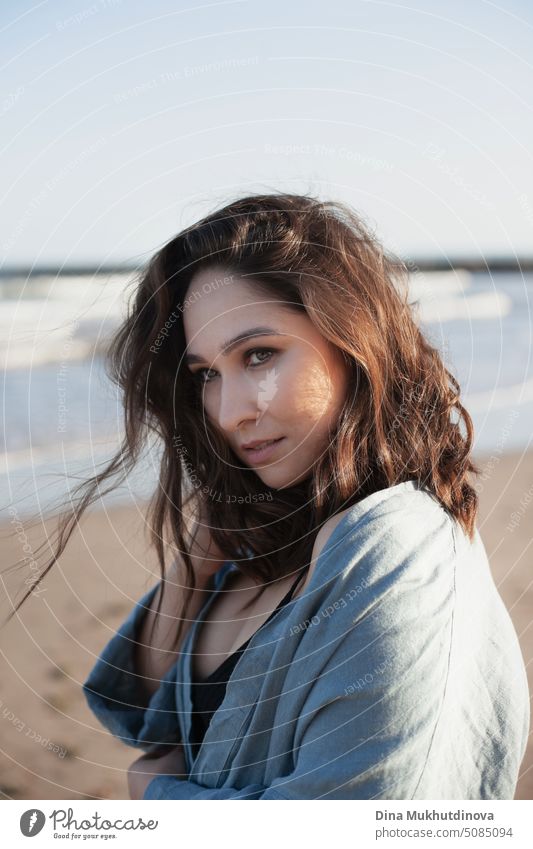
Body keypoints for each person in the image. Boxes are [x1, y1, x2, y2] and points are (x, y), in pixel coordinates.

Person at [20, 193, 532, 799]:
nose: (231, 413)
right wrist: (194, 565)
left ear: (352, 340)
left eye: (259, 355)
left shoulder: (398, 548)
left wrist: (156, 801)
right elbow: (142, 715)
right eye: (206, 373)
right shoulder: (261, 535)